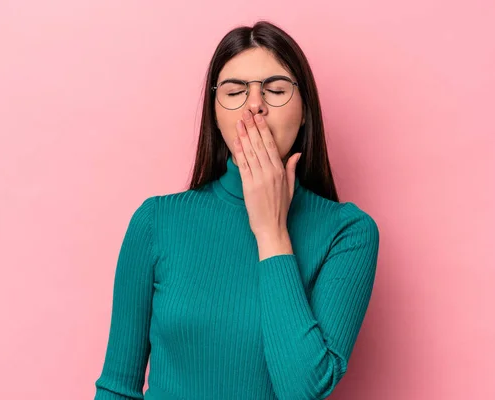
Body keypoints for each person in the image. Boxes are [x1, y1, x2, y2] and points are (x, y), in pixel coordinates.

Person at [94, 20, 380, 400]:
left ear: (306, 110)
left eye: (276, 89)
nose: (255, 104)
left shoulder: (349, 233)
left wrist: (271, 232)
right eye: (234, 91)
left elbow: (302, 390)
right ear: (215, 114)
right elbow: (116, 388)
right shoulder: (156, 222)